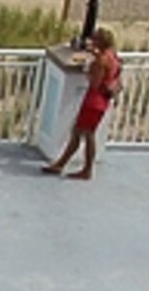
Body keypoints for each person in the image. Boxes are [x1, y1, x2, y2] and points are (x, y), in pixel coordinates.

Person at [45, 28, 122, 180]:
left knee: (85, 134)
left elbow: (95, 83)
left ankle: (84, 169)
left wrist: (88, 70)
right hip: (102, 101)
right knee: (81, 133)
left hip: (93, 100)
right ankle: (63, 163)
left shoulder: (101, 60)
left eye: (95, 38)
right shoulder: (112, 56)